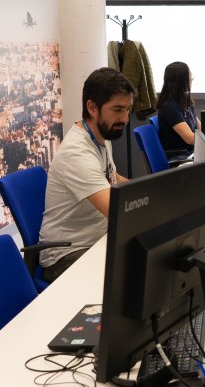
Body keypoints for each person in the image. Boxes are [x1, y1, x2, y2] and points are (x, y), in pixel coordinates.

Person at [38, 67, 136, 283]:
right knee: (133, 278)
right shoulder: (77, 152)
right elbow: (118, 211)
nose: (126, 118)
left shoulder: (100, 136)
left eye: (128, 109)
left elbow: (114, 179)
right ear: (92, 107)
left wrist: (151, 191)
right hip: (67, 255)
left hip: (99, 240)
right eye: (118, 109)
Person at [156, 61, 198, 160]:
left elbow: (200, 128)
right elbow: (190, 138)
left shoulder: (185, 102)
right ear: (181, 81)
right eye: (190, 75)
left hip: (190, 153)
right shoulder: (170, 107)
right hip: (179, 157)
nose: (192, 79)